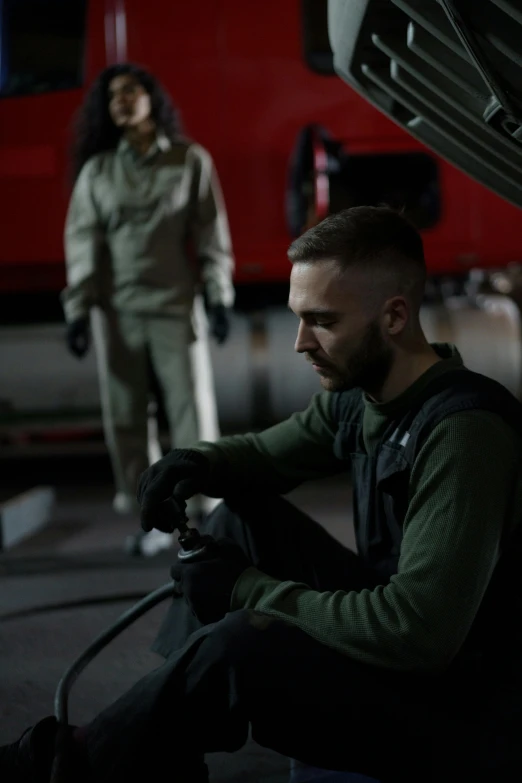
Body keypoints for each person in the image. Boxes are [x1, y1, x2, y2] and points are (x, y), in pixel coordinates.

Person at [3, 206, 522, 782]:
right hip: (415, 655)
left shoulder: (463, 433)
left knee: (246, 642)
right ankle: (161, 741)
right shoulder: (364, 397)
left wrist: (252, 590)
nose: (300, 342)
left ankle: (76, 766)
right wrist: (194, 463)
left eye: (321, 321)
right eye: (299, 318)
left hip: (466, 712)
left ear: (394, 316)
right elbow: (270, 454)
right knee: (237, 522)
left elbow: (417, 633)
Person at [61, 63, 234, 550]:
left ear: (152, 98)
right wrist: (78, 309)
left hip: (176, 304)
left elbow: (210, 233)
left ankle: (207, 511)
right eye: (112, 94)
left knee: (191, 411)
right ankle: (153, 517)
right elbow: (82, 243)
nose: (121, 99)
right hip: (116, 313)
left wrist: (219, 296)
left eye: (130, 90)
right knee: (126, 419)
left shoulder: (189, 160)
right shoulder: (98, 171)